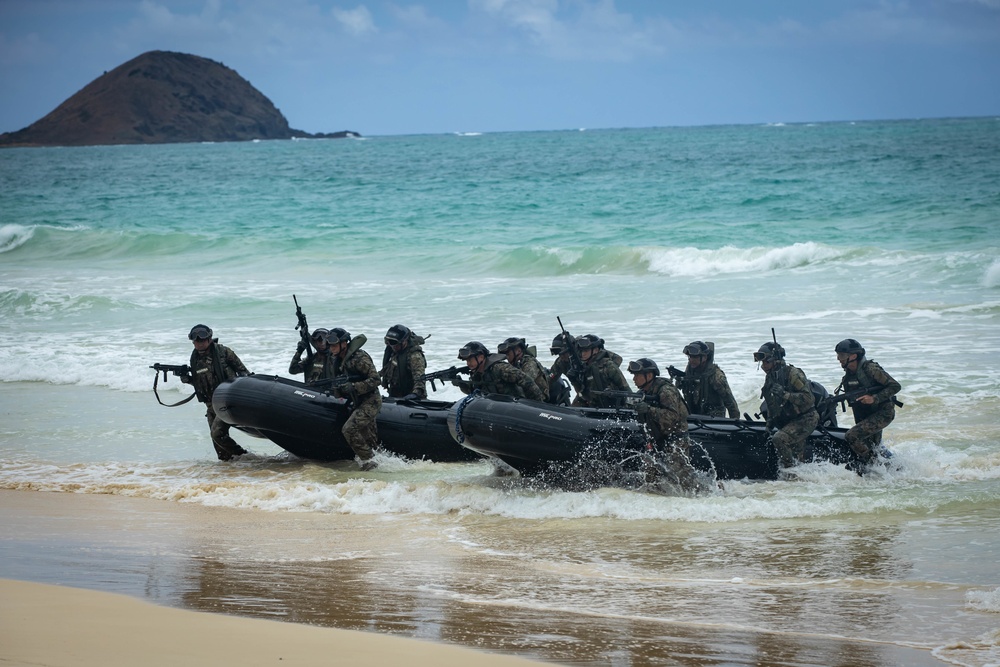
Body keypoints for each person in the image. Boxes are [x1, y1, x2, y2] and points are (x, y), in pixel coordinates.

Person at [628, 358, 706, 494]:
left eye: (637, 375)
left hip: (676, 441)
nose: (634, 379)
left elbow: (673, 417)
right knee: (650, 476)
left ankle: (706, 497)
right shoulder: (644, 393)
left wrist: (649, 409)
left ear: (649, 375)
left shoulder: (666, 391)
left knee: (685, 481)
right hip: (657, 440)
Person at [180, 324, 249, 461]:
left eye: (202, 340)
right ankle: (230, 470)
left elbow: (244, 372)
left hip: (227, 401)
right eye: (196, 341)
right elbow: (199, 382)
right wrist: (188, 379)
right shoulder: (195, 359)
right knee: (220, 449)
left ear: (210, 339)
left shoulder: (223, 352)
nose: (199, 343)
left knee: (216, 434)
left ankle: (245, 458)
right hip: (211, 404)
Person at [834, 338, 902, 462]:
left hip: (882, 412)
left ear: (854, 356)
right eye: (838, 355)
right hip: (865, 413)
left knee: (852, 436)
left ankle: (874, 464)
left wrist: (874, 398)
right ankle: (895, 465)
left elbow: (895, 386)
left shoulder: (871, 369)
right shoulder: (849, 374)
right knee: (874, 446)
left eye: (842, 355)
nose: (838, 359)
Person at [754, 341, 819, 469]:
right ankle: (797, 475)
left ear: (775, 360)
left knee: (779, 439)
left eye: (766, 362)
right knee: (798, 457)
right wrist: (769, 423)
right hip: (790, 421)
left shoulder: (793, 374)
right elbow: (772, 403)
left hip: (806, 418)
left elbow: (809, 399)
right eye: (762, 363)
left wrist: (785, 394)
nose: (763, 366)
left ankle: (789, 472)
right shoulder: (771, 377)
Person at [327, 327, 382, 470]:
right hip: (358, 402)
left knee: (349, 429)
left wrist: (354, 387)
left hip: (371, 401)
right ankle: (379, 468)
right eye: (330, 345)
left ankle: (369, 462)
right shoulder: (337, 361)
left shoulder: (359, 358)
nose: (331, 348)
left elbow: (376, 380)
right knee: (370, 441)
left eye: (334, 345)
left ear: (344, 343)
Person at [454, 341, 545, 400]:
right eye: (466, 361)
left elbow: (525, 379)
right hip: (498, 406)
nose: (468, 363)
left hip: (516, 404)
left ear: (481, 357)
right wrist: (460, 383)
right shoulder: (477, 374)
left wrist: (538, 403)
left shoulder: (499, 368)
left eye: (470, 360)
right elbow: (474, 391)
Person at [675, 341, 740, 419]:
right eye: (690, 357)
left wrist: (735, 423)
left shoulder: (716, 376)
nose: (691, 360)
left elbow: (730, 403)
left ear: (704, 358)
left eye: (695, 357)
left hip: (713, 419)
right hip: (694, 415)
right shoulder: (691, 369)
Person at [577, 334, 630, 408]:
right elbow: (582, 393)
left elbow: (626, 390)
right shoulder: (584, 368)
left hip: (614, 409)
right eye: (582, 351)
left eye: (586, 350)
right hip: (594, 408)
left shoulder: (608, 366)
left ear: (596, 350)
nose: (583, 354)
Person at [380, 324, 428, 400]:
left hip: (412, 399)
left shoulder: (414, 356)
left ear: (404, 341)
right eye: (389, 342)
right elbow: (386, 370)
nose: (393, 346)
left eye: (395, 343)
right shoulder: (395, 351)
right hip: (395, 396)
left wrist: (415, 394)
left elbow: (419, 378)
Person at [497, 337, 550, 402]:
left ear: (518, 351)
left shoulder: (529, 364)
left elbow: (526, 383)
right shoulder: (516, 365)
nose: (507, 358)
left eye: (508, 354)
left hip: (539, 401)